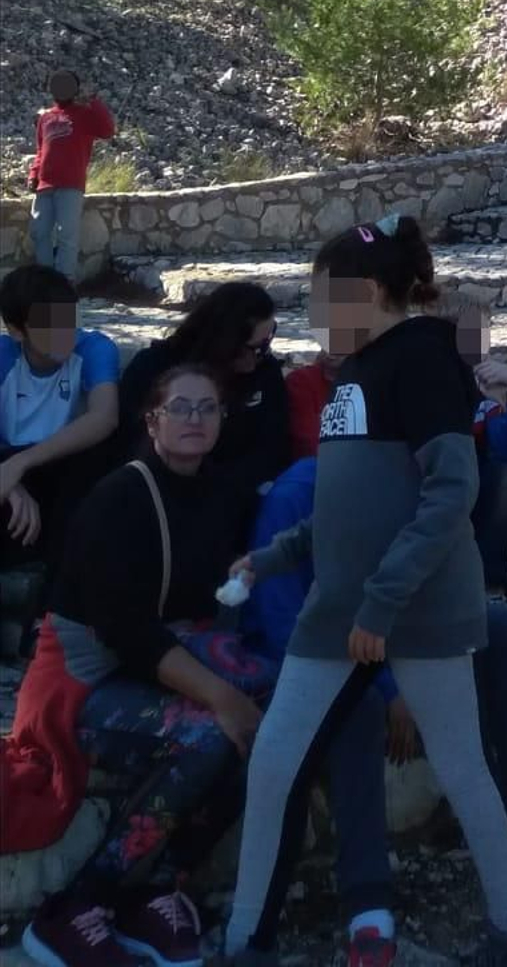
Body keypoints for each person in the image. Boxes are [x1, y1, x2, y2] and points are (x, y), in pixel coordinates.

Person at [223, 216, 507, 967]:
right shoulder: (355, 375)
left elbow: (450, 492)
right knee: (273, 762)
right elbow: (344, 511)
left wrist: (382, 604)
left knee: (464, 767)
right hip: (339, 609)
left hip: (414, 610)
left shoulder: (422, 363)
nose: (312, 320)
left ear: (366, 293)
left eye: (321, 301)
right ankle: (244, 943)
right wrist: (268, 559)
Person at [247, 458, 507, 903]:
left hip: (398, 637)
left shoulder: (408, 482)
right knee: (360, 710)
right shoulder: (297, 495)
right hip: (327, 653)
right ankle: (368, 898)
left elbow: (434, 582)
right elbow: (289, 626)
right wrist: (391, 689)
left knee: (498, 624)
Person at [20, 362, 276, 967]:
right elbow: (128, 633)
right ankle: (79, 905)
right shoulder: (119, 498)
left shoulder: (215, 492)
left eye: (208, 408)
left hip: (153, 665)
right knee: (214, 731)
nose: (195, 419)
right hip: (86, 686)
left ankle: (162, 889)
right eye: (180, 408)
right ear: (152, 419)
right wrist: (220, 695)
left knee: (278, 713)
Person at [119, 286, 289, 522]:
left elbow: (272, 447)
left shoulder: (264, 372)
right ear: (226, 341)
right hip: (159, 497)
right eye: (254, 348)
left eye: (268, 343)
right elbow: (129, 442)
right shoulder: (155, 367)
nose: (262, 355)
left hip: (235, 500)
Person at [1, 265, 119, 576]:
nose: (63, 334)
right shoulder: (3, 357)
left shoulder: (94, 348)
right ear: (16, 330)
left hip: (65, 466)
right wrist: (11, 480)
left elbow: (104, 418)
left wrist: (20, 464)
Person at [446, 296, 507, 598]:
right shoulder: (435, 377)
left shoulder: (492, 379)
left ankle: (491, 585)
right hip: (443, 473)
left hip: (482, 472)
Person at [27, 70, 116, 281]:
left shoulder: (85, 114)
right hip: (45, 185)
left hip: (70, 185)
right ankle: (47, 279)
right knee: (39, 232)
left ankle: (64, 282)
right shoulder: (45, 117)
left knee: (67, 235)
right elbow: (41, 151)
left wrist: (93, 100)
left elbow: (108, 130)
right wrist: (33, 174)